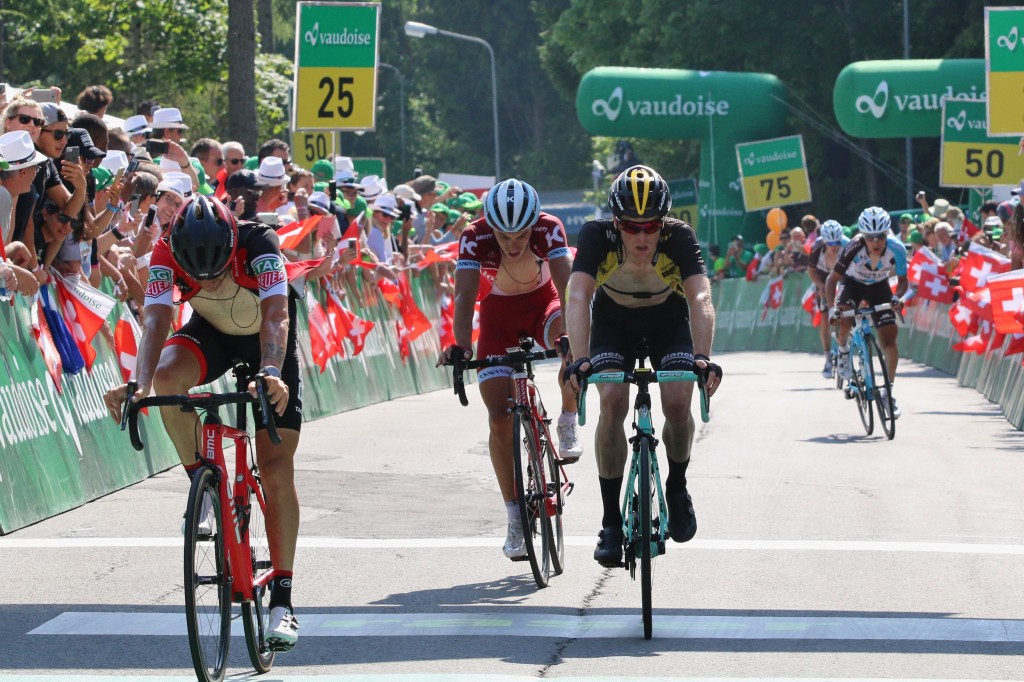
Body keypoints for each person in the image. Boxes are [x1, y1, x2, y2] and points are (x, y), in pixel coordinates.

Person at [102, 195, 304, 651]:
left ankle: (283, 602)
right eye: (200, 275)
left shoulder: (261, 243)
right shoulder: (163, 252)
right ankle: (204, 485)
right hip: (209, 334)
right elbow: (156, 322)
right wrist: (138, 383)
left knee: (275, 467)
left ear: (232, 242)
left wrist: (271, 371)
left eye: (218, 270)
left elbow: (277, 314)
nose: (209, 281)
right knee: (166, 381)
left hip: (266, 341)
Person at [562, 165, 722, 567]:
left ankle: (677, 485)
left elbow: (700, 298)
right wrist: (581, 359)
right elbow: (579, 297)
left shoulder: (679, 236)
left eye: (651, 226)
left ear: (663, 221)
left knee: (678, 401)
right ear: (616, 223)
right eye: (631, 228)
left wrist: (702, 356)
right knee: (612, 400)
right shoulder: (596, 236)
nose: (642, 236)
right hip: (614, 324)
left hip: (668, 322)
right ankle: (611, 521)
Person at [437, 178, 583, 561]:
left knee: (571, 342)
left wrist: (570, 334)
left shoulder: (550, 227)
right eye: (504, 237)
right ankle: (515, 516)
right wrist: (462, 345)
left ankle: (568, 417)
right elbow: (466, 294)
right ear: (491, 227)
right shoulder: (473, 236)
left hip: (545, 306)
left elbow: (568, 287)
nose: (515, 244)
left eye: (521, 235)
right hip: (498, 318)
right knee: (498, 417)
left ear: (534, 223)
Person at [826, 207, 908, 419]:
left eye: (880, 236)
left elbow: (903, 281)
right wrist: (832, 308)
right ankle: (843, 351)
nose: (875, 242)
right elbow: (832, 279)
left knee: (889, 341)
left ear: (887, 233)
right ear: (863, 235)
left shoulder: (897, 249)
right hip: (852, 284)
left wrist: (897, 296)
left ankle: (887, 392)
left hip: (880, 287)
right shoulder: (853, 247)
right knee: (844, 320)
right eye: (870, 237)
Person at [807, 220, 849, 377]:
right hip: (823, 276)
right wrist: (820, 286)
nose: (834, 246)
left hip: (843, 274)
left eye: (836, 242)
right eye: (830, 243)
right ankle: (828, 358)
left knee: (846, 308)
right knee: (825, 316)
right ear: (824, 240)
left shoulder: (847, 245)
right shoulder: (817, 247)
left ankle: (846, 344)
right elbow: (811, 271)